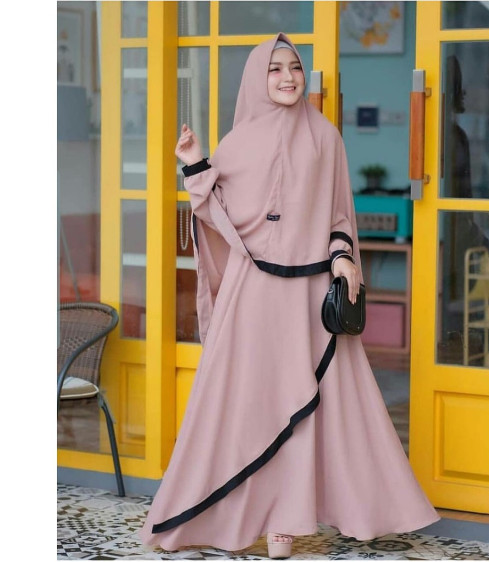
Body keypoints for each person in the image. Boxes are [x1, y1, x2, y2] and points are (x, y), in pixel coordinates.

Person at [139, 32, 439, 559]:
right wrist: (195, 163)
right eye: (275, 69)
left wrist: (343, 257)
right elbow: (217, 218)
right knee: (245, 404)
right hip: (252, 295)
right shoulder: (236, 144)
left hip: (309, 298)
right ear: (258, 78)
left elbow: (339, 213)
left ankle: (286, 521)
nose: (287, 77)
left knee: (310, 407)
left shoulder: (326, 138)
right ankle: (234, 514)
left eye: (294, 67)